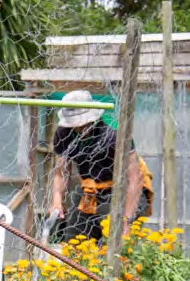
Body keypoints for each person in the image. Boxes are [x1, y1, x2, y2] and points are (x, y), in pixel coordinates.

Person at [50, 90, 152, 242]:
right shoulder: (63, 134)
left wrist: (126, 220)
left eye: (83, 124)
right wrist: (57, 200)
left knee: (115, 244)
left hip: (122, 191)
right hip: (89, 191)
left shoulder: (114, 133)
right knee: (75, 243)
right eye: (75, 125)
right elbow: (61, 172)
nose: (79, 128)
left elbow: (134, 179)